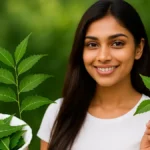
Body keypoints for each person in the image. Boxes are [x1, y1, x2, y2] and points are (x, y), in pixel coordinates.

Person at [37, 0, 150, 150]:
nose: (103, 57)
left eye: (117, 43)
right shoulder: (58, 112)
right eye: (92, 45)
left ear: (138, 49)